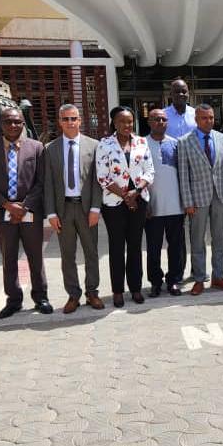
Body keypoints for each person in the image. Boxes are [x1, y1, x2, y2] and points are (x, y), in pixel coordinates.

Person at [0, 107, 51, 319]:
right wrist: (7, 205)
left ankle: (41, 297)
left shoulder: (36, 147)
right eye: (8, 121)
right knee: (8, 257)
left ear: (23, 124)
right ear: (1, 124)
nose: (13, 125)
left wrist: (24, 206)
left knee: (35, 257)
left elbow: (41, 181)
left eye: (17, 122)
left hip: (30, 211)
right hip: (2, 212)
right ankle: (13, 300)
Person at [43, 103, 103, 313]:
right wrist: (51, 213)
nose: (70, 122)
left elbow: (97, 181)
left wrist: (95, 208)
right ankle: (73, 295)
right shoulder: (50, 149)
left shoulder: (94, 146)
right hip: (64, 210)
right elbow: (48, 183)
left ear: (80, 120)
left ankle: (92, 292)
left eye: (73, 118)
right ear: (60, 122)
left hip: (87, 209)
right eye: (65, 119)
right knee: (67, 255)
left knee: (91, 253)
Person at [97, 106, 155, 306]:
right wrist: (125, 195)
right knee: (116, 247)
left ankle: (136, 288)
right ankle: (118, 291)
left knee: (135, 246)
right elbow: (102, 177)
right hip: (114, 203)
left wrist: (135, 192)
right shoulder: (104, 144)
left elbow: (150, 171)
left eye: (129, 121)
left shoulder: (141, 142)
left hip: (138, 200)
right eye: (122, 121)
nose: (126, 125)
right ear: (114, 123)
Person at [177, 104, 223, 295]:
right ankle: (199, 279)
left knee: (219, 239)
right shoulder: (184, 142)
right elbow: (183, 175)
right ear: (196, 120)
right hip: (197, 199)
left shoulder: (221, 138)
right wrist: (188, 202)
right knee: (197, 240)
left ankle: (218, 277)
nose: (209, 121)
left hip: (220, 196)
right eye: (204, 118)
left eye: (211, 117)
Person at [145, 108, 186, 297]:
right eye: (156, 119)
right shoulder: (141, 144)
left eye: (163, 119)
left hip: (175, 206)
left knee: (176, 247)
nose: (160, 122)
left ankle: (174, 280)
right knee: (153, 248)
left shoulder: (176, 144)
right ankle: (155, 282)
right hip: (152, 207)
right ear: (149, 122)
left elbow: (184, 174)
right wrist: (144, 203)